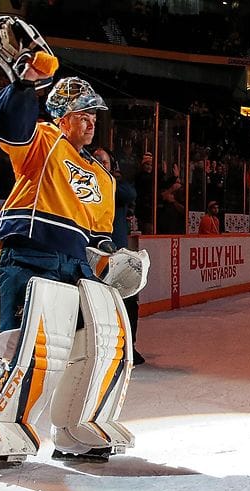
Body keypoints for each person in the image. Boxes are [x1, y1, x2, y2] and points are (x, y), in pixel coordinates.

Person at [0, 16, 147, 464]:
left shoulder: (102, 176)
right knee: (25, 345)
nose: (89, 122)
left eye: (93, 115)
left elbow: (100, 237)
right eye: (81, 113)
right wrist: (26, 83)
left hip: (76, 269)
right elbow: (8, 125)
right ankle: (0, 425)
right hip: (29, 254)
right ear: (61, 114)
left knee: (100, 345)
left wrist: (115, 262)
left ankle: (76, 427)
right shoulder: (45, 140)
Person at [93, 147, 144, 365]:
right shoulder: (83, 186)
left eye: (102, 162)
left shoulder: (116, 187)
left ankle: (128, 347)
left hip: (117, 256)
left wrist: (108, 178)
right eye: (94, 160)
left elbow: (130, 194)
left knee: (128, 302)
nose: (97, 164)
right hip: (91, 255)